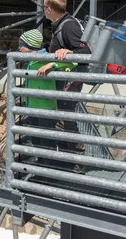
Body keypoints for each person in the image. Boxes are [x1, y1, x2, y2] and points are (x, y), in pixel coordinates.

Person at [43, 0, 91, 158]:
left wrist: (69, 51)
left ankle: (76, 165)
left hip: (70, 81)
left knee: (66, 121)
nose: (43, 10)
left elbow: (85, 50)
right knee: (62, 121)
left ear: (49, 9)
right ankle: (67, 162)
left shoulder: (68, 26)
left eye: (44, 7)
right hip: (65, 81)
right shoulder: (61, 24)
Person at [18, 29, 77, 162]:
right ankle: (42, 169)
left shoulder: (46, 58)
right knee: (37, 141)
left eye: (21, 44)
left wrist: (53, 64)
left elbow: (73, 62)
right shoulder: (31, 60)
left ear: (29, 45)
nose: (19, 48)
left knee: (47, 143)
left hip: (45, 109)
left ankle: (50, 174)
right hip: (32, 107)